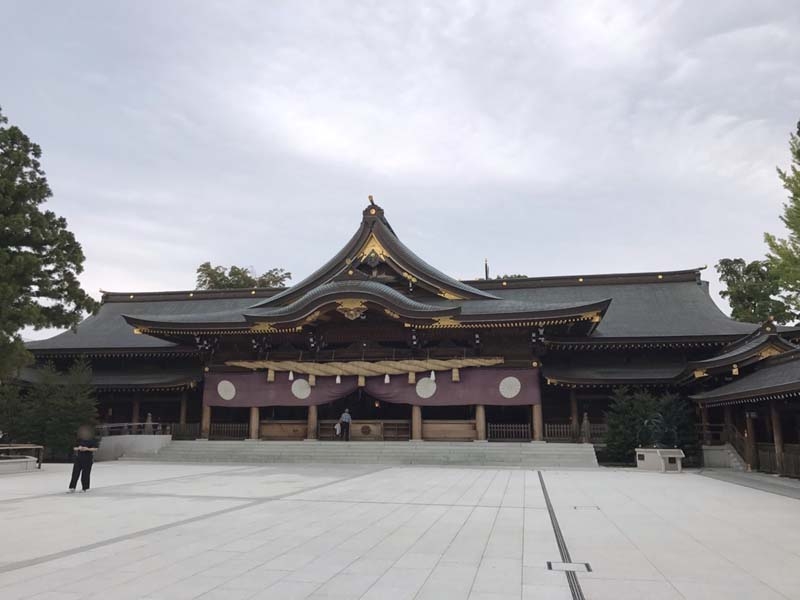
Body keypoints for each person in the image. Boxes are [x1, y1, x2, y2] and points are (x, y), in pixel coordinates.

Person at [68, 425, 98, 493]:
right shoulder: (79, 439)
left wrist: (87, 449)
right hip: (78, 458)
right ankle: (72, 487)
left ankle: (85, 488)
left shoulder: (92, 440)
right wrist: (79, 448)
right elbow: (74, 447)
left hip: (88, 458)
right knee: (75, 473)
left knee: (85, 473)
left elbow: (95, 448)